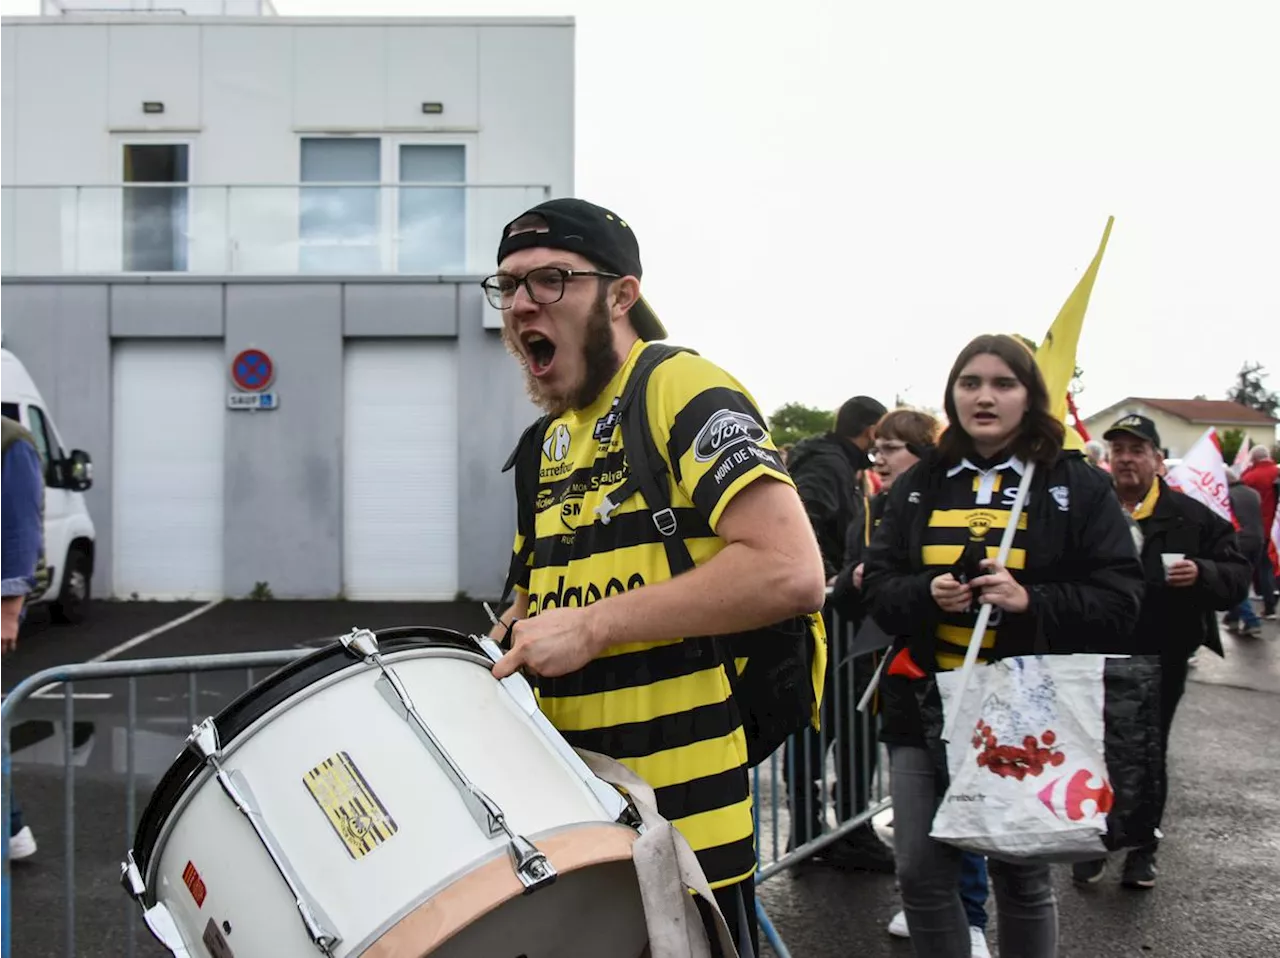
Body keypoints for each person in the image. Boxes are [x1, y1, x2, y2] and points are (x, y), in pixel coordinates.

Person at [483, 198, 828, 958]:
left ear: (621, 294)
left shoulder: (676, 385)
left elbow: (790, 570)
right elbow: (541, 602)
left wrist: (594, 625)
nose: (520, 306)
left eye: (550, 281)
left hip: (686, 835)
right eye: (507, 287)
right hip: (577, 834)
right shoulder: (542, 445)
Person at [862, 334, 1144, 958]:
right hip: (923, 704)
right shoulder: (918, 484)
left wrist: (1030, 600)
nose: (984, 397)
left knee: (1021, 868)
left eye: (1002, 383)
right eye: (970, 383)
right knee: (919, 871)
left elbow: (1122, 600)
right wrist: (926, 592)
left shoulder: (1075, 484)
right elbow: (877, 585)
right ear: (952, 395)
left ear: (1029, 396)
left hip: (1027, 711)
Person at [827, 407, 993, 957]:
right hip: (899, 674)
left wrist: (930, 589)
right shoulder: (872, 508)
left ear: (923, 454)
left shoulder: (956, 505)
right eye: (878, 450)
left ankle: (971, 913)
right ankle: (932, 903)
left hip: (966, 679)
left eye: (893, 449)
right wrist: (860, 580)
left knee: (963, 805)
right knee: (918, 824)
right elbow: (864, 581)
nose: (881, 459)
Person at [1071, 416, 1250, 889]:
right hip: (1095, 650)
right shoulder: (1091, 511)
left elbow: (1237, 577)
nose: (1126, 458)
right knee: (1094, 747)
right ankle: (1094, 841)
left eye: (1136, 449)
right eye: (1118, 450)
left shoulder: (1193, 517)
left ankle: (1142, 849)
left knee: (1148, 753)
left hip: (1161, 654)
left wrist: (1204, 573)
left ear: (1156, 458)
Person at [784, 394, 888, 869]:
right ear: (867, 431)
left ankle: (832, 830)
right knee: (829, 725)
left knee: (836, 726)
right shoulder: (828, 466)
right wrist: (827, 580)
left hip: (832, 616)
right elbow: (799, 519)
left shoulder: (835, 463)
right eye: (880, 437)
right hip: (828, 617)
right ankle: (825, 832)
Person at [0, 414, 46, 861]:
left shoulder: (11, 442)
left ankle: (11, 829)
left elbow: (20, 530)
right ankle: (12, 830)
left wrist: (9, 612)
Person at [1224, 466, 1265, 637]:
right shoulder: (1253, 493)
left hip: (1239, 541)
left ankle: (1251, 620)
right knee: (1243, 581)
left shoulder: (1228, 496)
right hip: (1258, 540)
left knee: (1235, 582)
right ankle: (1233, 618)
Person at [1240, 444, 1279, 620]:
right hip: (1276, 527)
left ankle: (1268, 606)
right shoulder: (1276, 472)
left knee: (1263, 568)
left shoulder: (1251, 477)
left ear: (1254, 459)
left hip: (1261, 529)